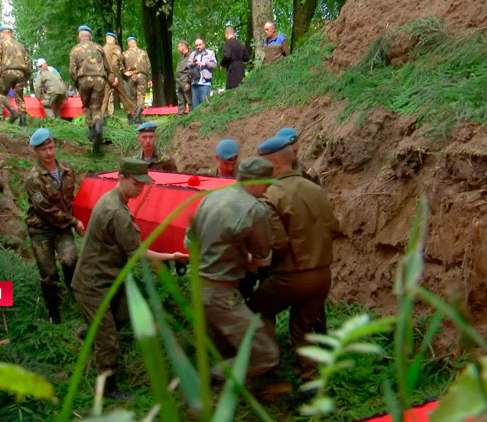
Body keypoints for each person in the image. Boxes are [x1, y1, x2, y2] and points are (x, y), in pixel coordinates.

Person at [70, 158, 188, 399]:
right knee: (109, 340)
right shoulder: (116, 211)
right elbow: (138, 253)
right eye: (136, 183)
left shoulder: (114, 201)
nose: (140, 189)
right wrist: (171, 256)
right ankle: (107, 387)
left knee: (122, 314)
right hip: (93, 284)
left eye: (143, 185)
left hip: (107, 278)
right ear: (121, 177)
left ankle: (93, 330)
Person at [185, 156, 290, 394]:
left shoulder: (212, 197)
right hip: (221, 293)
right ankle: (212, 379)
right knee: (265, 353)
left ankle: (220, 397)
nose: (267, 190)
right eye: (266, 184)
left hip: (198, 287)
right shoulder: (255, 209)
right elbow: (263, 255)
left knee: (225, 347)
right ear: (254, 182)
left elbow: (189, 240)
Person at [248, 136, 340, 382]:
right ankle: (310, 381)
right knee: (302, 328)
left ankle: (272, 372)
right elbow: (334, 227)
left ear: (275, 164)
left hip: (291, 277)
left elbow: (277, 245)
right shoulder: (316, 188)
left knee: (257, 310)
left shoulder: (270, 195)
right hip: (322, 275)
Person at [25, 128, 85, 324]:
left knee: (70, 260)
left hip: (62, 227)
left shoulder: (67, 171)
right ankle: (54, 310)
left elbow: (72, 200)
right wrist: (74, 222)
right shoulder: (33, 179)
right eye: (44, 150)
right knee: (48, 273)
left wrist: (80, 218)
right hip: (41, 230)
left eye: (51, 148)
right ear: (36, 152)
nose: (49, 153)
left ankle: (73, 291)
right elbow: (46, 210)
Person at [70, 25, 116, 151]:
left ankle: (91, 131)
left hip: (83, 79)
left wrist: (77, 83)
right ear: (90, 36)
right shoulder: (99, 48)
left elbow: (72, 70)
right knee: (96, 107)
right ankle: (98, 126)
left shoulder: (75, 50)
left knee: (86, 106)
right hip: (99, 79)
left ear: (79, 36)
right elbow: (108, 68)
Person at [0, 25, 31, 125]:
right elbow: (28, 62)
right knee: (19, 97)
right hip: (21, 73)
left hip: (8, 72)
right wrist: (26, 77)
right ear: (11, 34)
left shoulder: (1, 44)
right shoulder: (20, 46)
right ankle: (23, 121)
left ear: (3, 34)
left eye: (0, 34)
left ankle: (12, 112)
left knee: (1, 94)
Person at [101, 32, 137, 124]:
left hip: (105, 76)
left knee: (105, 97)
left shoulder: (102, 49)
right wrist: (116, 75)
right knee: (123, 95)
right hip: (113, 75)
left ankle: (102, 120)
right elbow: (114, 62)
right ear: (113, 39)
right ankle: (130, 117)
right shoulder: (115, 48)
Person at [122, 36, 151, 124]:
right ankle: (138, 117)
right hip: (142, 76)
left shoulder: (124, 54)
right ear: (136, 42)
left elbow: (119, 65)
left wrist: (124, 72)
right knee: (141, 96)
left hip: (130, 76)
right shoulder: (143, 53)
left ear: (128, 43)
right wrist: (149, 79)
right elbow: (148, 66)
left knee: (132, 97)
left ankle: (135, 117)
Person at [188, 37, 217, 109]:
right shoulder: (193, 54)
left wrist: (205, 64)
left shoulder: (210, 53)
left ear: (204, 44)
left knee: (204, 105)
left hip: (205, 83)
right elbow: (188, 65)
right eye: (196, 45)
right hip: (194, 83)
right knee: (195, 107)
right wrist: (193, 63)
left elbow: (214, 65)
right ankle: (195, 120)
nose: (198, 47)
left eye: (200, 45)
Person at [174, 40, 191, 117]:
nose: (178, 48)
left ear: (183, 47)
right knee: (181, 101)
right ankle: (180, 116)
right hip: (179, 82)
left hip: (185, 82)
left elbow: (191, 71)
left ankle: (192, 116)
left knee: (189, 101)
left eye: (178, 46)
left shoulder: (191, 56)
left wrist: (188, 82)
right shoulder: (182, 58)